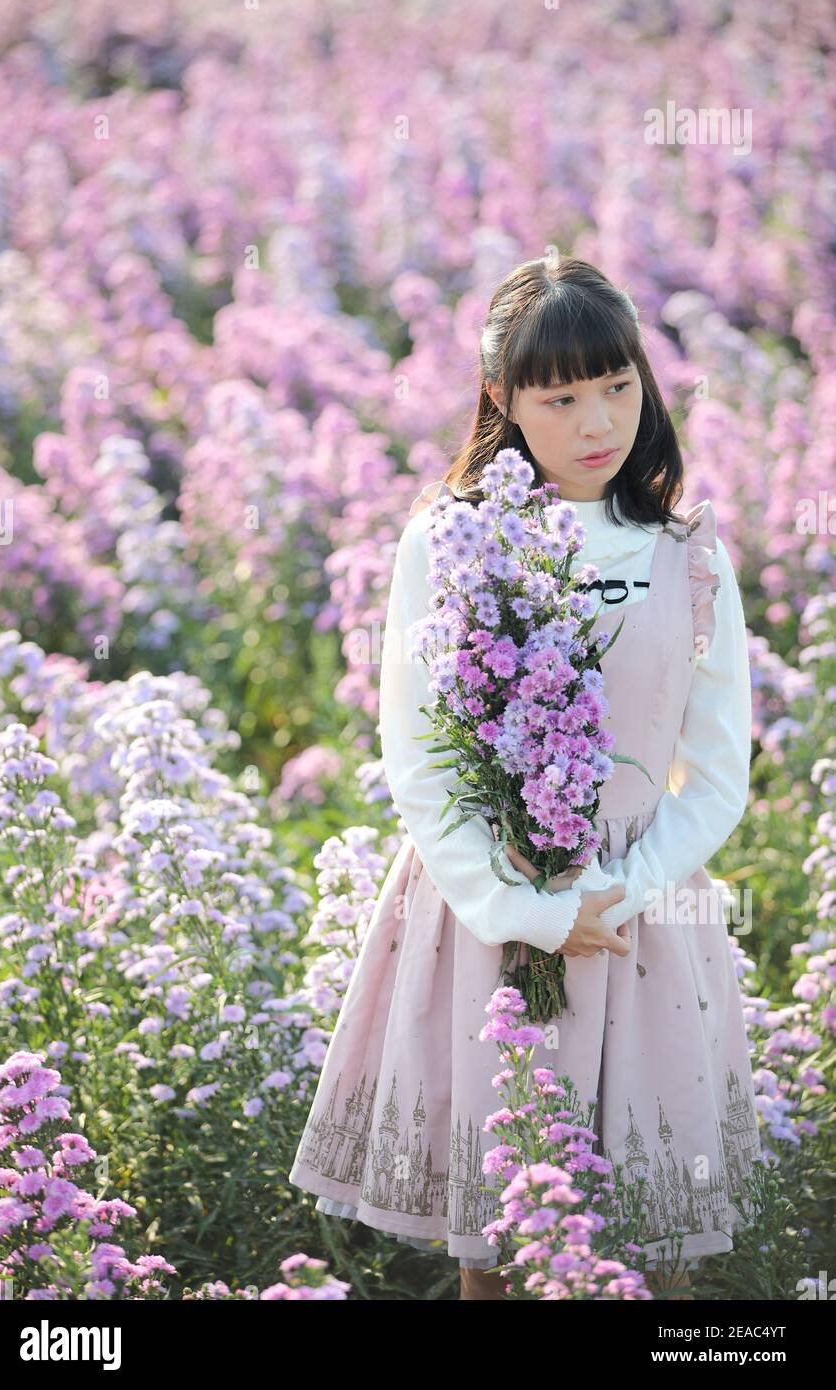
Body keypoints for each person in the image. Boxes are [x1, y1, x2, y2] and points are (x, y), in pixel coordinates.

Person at [288, 255, 764, 1301]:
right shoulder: (447, 534)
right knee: (497, 1250)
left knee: (658, 1259)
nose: (599, 421)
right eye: (561, 397)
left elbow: (717, 774)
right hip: (485, 925)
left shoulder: (683, 551)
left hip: (641, 918)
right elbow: (414, 756)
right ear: (501, 398)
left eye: (618, 385)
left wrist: (613, 897)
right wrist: (525, 908)